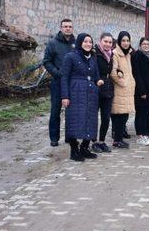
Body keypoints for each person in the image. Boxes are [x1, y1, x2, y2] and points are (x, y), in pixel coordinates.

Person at [61, 33, 103, 162]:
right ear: (80, 42)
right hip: (75, 92)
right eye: (85, 41)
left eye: (90, 42)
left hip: (91, 93)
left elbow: (96, 75)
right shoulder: (71, 56)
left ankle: (85, 148)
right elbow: (64, 77)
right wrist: (65, 96)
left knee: (90, 120)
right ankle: (74, 150)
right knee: (75, 120)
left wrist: (98, 81)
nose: (88, 44)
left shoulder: (93, 58)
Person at [43, 19, 76, 147]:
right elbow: (46, 61)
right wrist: (57, 73)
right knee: (55, 110)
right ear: (61, 28)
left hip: (72, 83)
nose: (68, 28)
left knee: (71, 111)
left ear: (72, 28)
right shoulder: (53, 43)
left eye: (70, 26)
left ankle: (70, 136)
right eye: (65, 26)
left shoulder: (76, 43)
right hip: (57, 82)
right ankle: (54, 138)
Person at [110, 31, 135, 149]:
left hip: (128, 89)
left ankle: (118, 138)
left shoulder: (128, 54)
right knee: (120, 115)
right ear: (119, 41)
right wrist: (123, 83)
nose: (125, 43)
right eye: (123, 41)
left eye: (127, 41)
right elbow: (113, 72)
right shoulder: (115, 53)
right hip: (120, 89)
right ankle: (117, 140)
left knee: (124, 115)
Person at [91, 33, 114, 153]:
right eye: (105, 41)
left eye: (110, 42)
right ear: (100, 41)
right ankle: (93, 142)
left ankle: (102, 141)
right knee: (94, 117)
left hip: (108, 89)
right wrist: (96, 81)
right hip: (96, 88)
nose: (108, 44)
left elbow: (110, 70)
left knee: (106, 118)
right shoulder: (95, 54)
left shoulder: (111, 55)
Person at [132, 37, 149, 145]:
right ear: (140, 45)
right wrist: (142, 91)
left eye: (148, 44)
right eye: (144, 44)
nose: (146, 45)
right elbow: (137, 74)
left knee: (148, 112)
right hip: (142, 89)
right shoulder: (137, 55)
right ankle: (140, 136)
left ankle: (146, 134)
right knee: (141, 113)